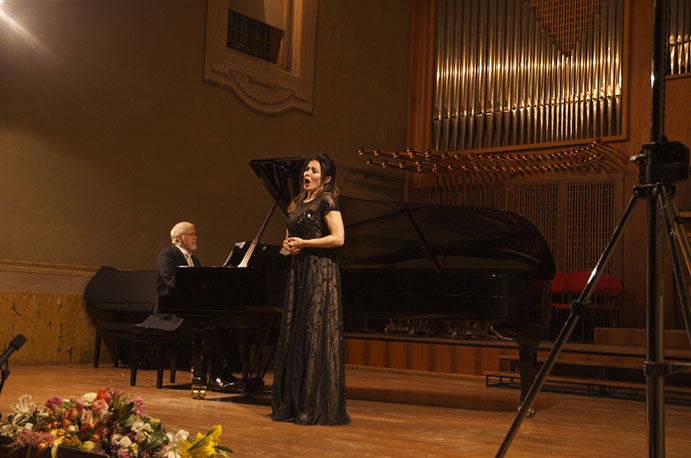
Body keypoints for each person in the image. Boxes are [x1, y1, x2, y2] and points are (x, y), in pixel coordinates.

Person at [271, 154, 350, 426]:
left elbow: (338, 238)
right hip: (299, 271)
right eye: (306, 169)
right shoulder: (296, 204)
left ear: (326, 179)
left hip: (320, 272)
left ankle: (312, 404)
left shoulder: (327, 200)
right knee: (297, 333)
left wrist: (304, 244)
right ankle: (293, 402)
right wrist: (289, 246)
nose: (307, 173)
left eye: (314, 171)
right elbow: (289, 239)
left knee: (314, 334)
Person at [153, 221, 237, 392]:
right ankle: (212, 377)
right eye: (191, 234)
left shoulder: (195, 260)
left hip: (189, 311)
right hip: (170, 314)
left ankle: (225, 373)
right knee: (212, 328)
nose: (196, 237)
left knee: (226, 326)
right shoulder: (167, 255)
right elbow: (172, 284)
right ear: (178, 238)